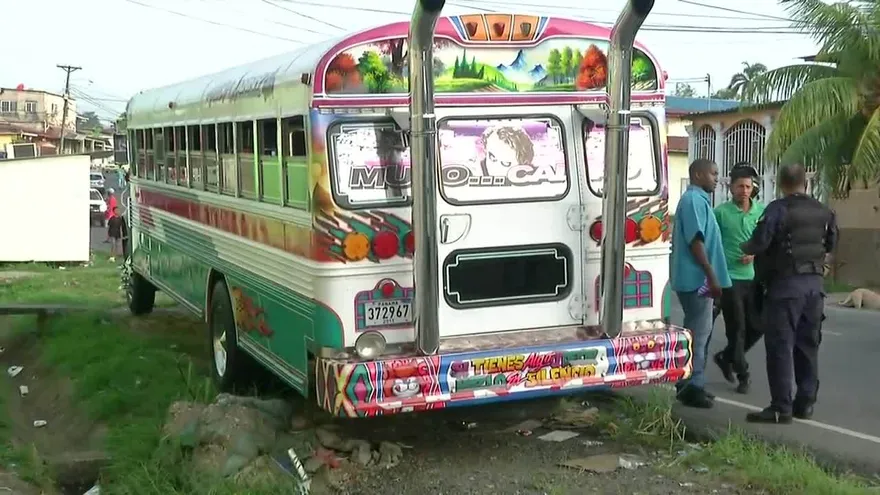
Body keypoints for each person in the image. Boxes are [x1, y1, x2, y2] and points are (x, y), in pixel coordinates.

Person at [741, 163, 838, 424]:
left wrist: (745, 247)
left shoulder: (778, 209)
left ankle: (780, 407)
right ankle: (805, 403)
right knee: (808, 345)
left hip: (785, 288)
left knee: (780, 346)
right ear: (804, 183)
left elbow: (759, 242)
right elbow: (831, 244)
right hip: (814, 288)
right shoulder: (823, 211)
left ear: (781, 184)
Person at [670, 159, 732, 408]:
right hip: (697, 279)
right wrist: (711, 275)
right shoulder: (694, 201)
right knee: (699, 333)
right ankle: (690, 385)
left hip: (698, 278)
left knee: (699, 333)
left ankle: (693, 382)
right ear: (697, 174)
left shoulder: (698, 201)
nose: (717, 178)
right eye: (713, 173)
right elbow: (696, 241)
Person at [712, 163, 765, 394]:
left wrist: (754, 254)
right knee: (737, 329)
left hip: (752, 278)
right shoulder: (721, 213)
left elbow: (766, 242)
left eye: (748, 186)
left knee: (757, 326)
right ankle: (743, 374)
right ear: (731, 188)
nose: (744, 190)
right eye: (739, 186)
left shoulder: (760, 212)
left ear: (753, 188)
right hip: (729, 279)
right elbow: (711, 243)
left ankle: (726, 357)